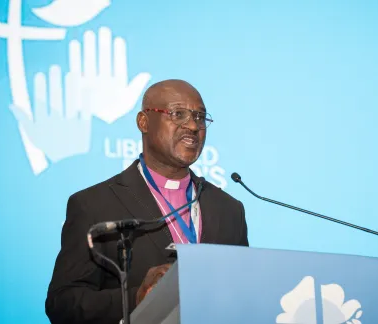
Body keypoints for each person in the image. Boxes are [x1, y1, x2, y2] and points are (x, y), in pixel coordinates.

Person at [45, 79, 249, 324]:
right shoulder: (94, 205)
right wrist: (135, 299)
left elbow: (244, 295)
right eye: (178, 114)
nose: (193, 126)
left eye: (200, 117)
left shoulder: (228, 209)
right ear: (143, 122)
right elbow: (63, 303)